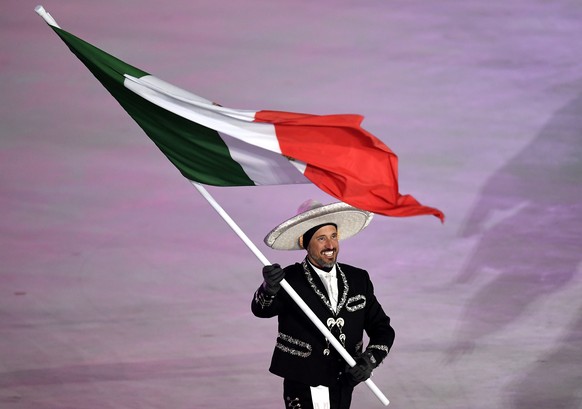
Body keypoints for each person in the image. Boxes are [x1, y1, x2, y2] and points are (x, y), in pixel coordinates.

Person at [251, 199, 395, 409]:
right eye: (321, 238)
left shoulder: (358, 279)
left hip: (344, 380)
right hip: (303, 379)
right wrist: (269, 288)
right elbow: (261, 310)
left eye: (334, 236)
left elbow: (382, 328)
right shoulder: (289, 279)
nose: (330, 245)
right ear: (305, 242)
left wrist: (368, 361)